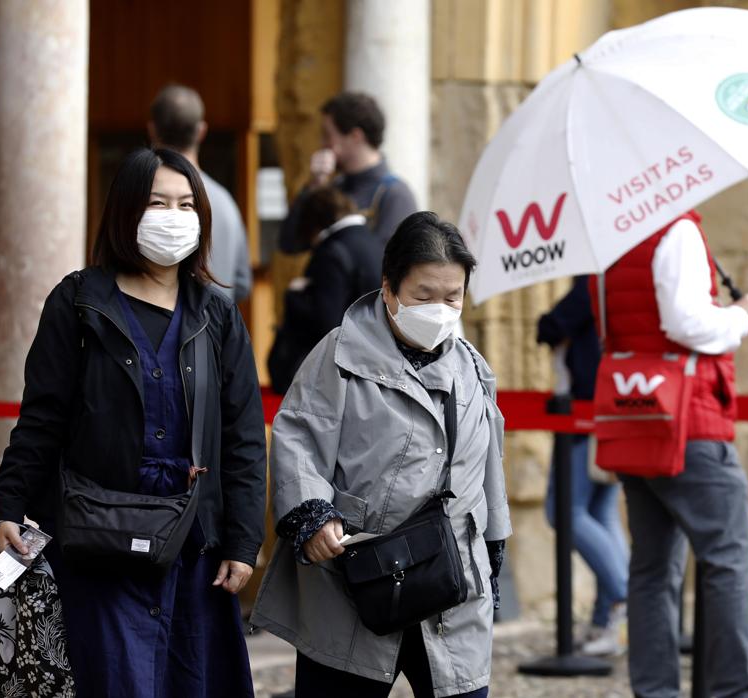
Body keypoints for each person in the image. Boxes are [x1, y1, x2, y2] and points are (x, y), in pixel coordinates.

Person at [0, 148, 267, 696]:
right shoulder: (77, 302)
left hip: (193, 545)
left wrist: (243, 540)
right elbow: (42, 416)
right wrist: (9, 503)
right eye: (157, 202)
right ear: (124, 212)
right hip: (101, 537)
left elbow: (242, 437)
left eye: (186, 204)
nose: (174, 215)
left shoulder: (216, 313)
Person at [251, 212, 511, 698]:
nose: (439, 308)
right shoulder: (338, 355)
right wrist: (313, 517)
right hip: (356, 575)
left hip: (451, 584)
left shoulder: (474, 368)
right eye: (423, 296)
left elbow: (488, 470)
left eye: (451, 297)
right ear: (389, 289)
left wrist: (492, 552)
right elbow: (298, 437)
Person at [591, 210, 748, 697]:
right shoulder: (677, 228)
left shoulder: (609, 235)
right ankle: (735, 690)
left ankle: (655, 692)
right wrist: (742, 316)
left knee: (650, 569)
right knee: (728, 558)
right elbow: (685, 321)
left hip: (633, 415)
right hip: (688, 418)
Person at [537, 276, 629, 656]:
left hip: (589, 409)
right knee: (600, 512)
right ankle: (605, 620)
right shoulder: (615, 278)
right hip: (613, 404)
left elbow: (551, 325)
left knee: (564, 511)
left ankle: (627, 597)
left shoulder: (596, 279)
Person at [267, 186, 382, 393]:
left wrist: (295, 295)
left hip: (332, 377)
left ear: (313, 223)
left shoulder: (332, 251)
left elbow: (326, 322)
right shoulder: (374, 243)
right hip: (369, 365)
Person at [276, 91, 417, 256]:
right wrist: (313, 187)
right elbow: (289, 243)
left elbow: (388, 267)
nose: (323, 144)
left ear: (355, 136)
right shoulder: (333, 188)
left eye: (328, 136)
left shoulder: (395, 195)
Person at [148, 84, 252, 302]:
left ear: (152, 129)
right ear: (201, 131)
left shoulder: (141, 193)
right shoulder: (225, 202)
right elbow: (241, 283)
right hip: (216, 330)